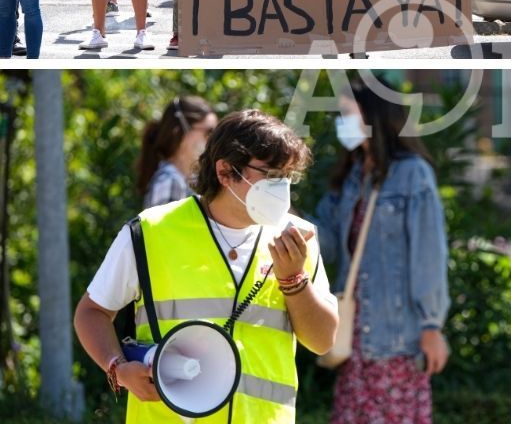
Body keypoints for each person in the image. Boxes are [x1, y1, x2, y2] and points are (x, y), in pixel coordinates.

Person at [74, 109, 338, 422]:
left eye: (286, 176)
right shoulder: (149, 231)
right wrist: (117, 367)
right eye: (270, 175)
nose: (281, 187)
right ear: (226, 172)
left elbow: (322, 341)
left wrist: (294, 280)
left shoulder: (296, 238)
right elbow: (91, 313)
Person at [314, 81, 449, 424]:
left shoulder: (412, 174)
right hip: (354, 339)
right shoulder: (352, 176)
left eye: (347, 114)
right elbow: (325, 242)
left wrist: (432, 325)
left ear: (375, 116)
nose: (340, 122)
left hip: (397, 338)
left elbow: (429, 253)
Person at [135, 96, 217, 208]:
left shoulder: (192, 179)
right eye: (209, 132)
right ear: (180, 133)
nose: (214, 140)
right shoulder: (169, 182)